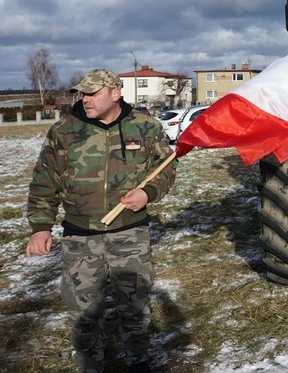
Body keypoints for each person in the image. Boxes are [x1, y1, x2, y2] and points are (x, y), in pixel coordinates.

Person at [25, 69, 176, 373]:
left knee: (134, 304)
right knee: (83, 309)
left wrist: (148, 193)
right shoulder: (65, 130)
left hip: (130, 233)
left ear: (116, 93)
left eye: (93, 93)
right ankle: (90, 364)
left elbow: (166, 168)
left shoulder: (146, 127)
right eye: (82, 93)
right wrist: (40, 227)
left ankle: (138, 361)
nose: (86, 99)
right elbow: (44, 180)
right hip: (80, 236)